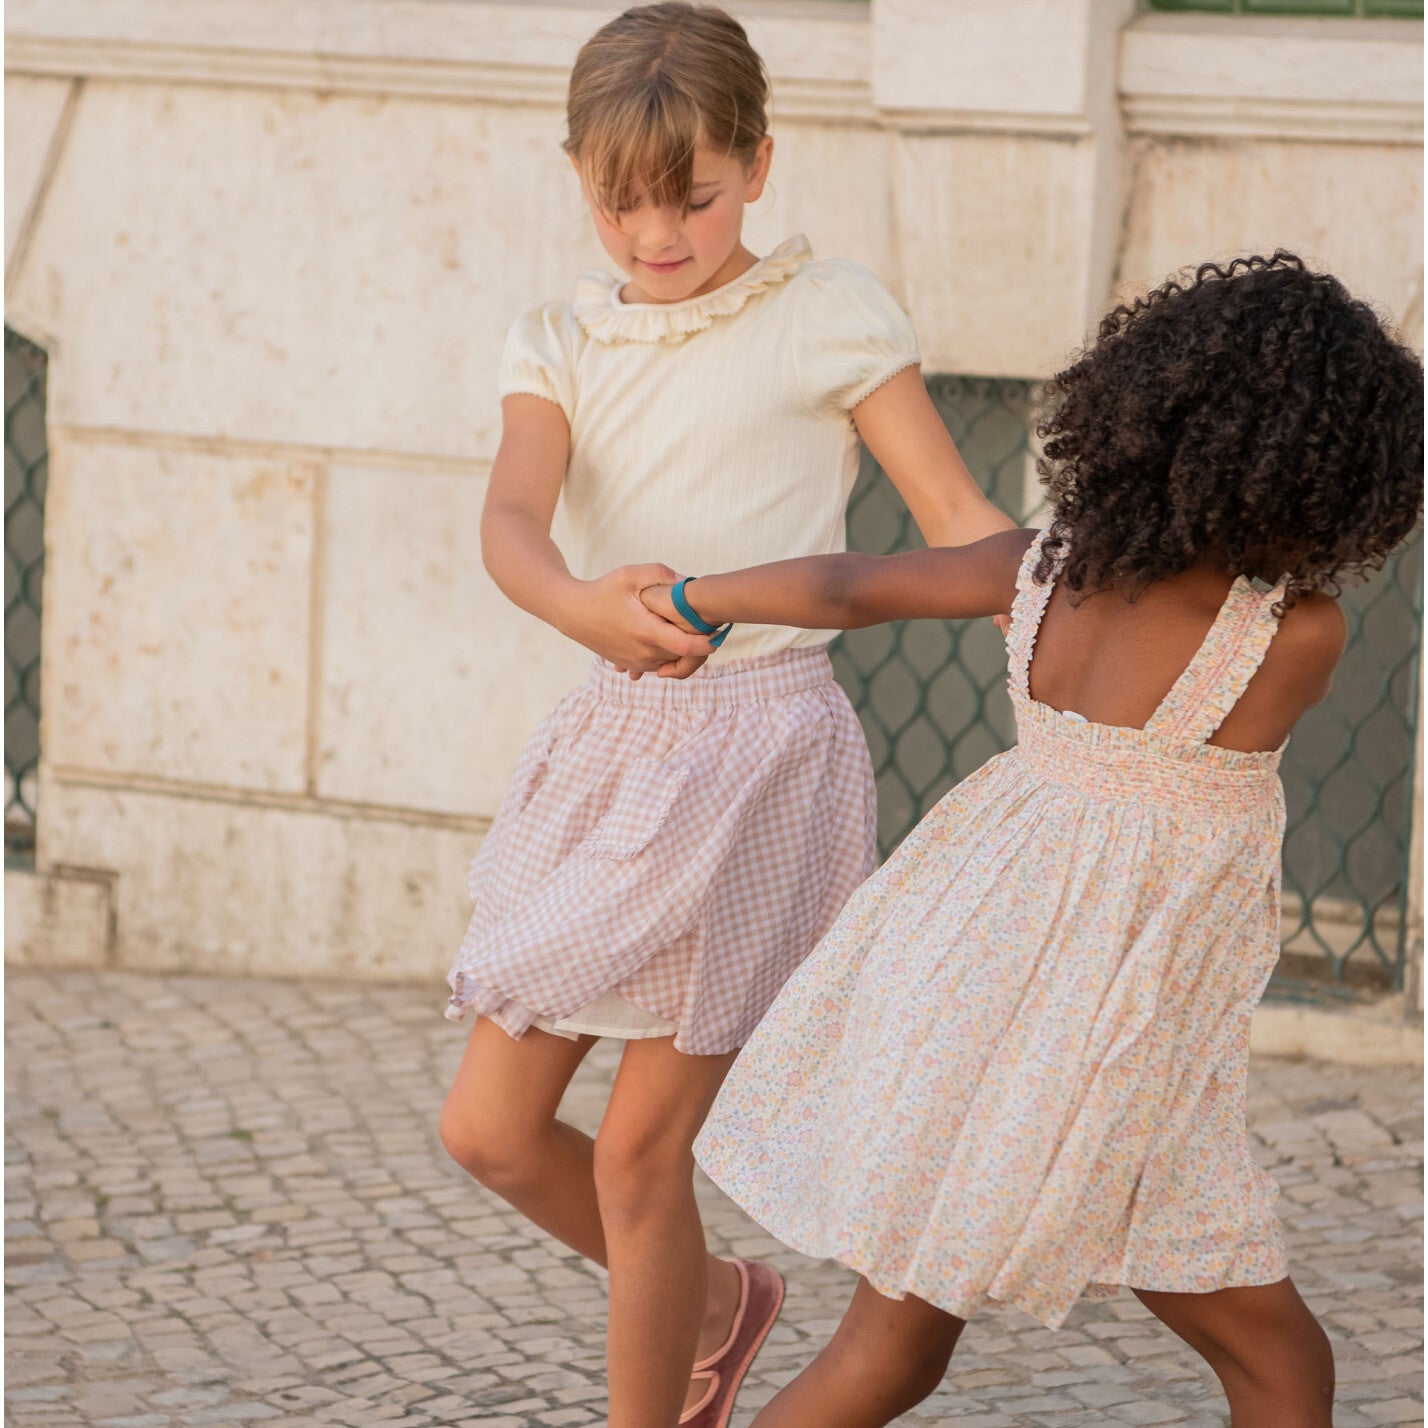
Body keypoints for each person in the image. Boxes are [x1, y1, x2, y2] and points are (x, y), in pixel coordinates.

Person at [639, 252, 1424, 1428]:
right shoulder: (1294, 635)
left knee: (891, 1351)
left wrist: (698, 597)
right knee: (1281, 1367)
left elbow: (858, 584)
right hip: (1118, 1054)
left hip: (963, 993)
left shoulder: (1041, 566)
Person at [436, 4, 1012, 1425]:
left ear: (758, 162)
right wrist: (580, 608)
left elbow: (961, 527)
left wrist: (1089, 620)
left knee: (640, 1158)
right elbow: (513, 523)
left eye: (689, 196)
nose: (655, 234)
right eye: (620, 203)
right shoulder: (558, 339)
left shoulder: (830, 313)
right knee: (491, 1129)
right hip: (612, 759)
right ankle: (706, 1302)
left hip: (764, 761)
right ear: (580, 179)